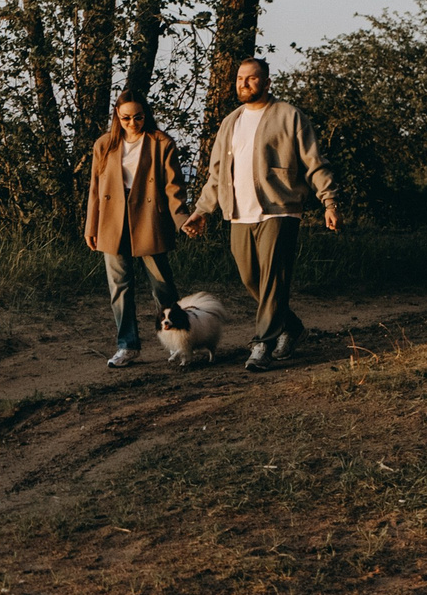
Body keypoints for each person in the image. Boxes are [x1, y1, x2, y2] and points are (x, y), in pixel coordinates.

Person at [184, 57, 339, 371]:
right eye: (240, 79)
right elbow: (216, 174)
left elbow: (314, 161)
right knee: (251, 279)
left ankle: (262, 344)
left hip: (279, 210)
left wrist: (329, 201)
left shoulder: (289, 115)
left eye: (251, 79)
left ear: (267, 83)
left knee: (272, 280)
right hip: (240, 213)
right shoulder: (231, 121)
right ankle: (291, 326)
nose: (244, 84)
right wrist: (202, 210)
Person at [83, 94, 192, 368]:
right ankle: (127, 346)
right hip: (111, 219)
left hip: (148, 217)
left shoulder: (161, 143)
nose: (133, 123)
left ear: (147, 114)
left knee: (162, 286)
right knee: (119, 287)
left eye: (139, 116)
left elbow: (173, 186)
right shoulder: (104, 144)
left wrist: (182, 219)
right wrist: (91, 225)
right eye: (126, 117)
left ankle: (179, 342)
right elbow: (95, 189)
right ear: (117, 115)